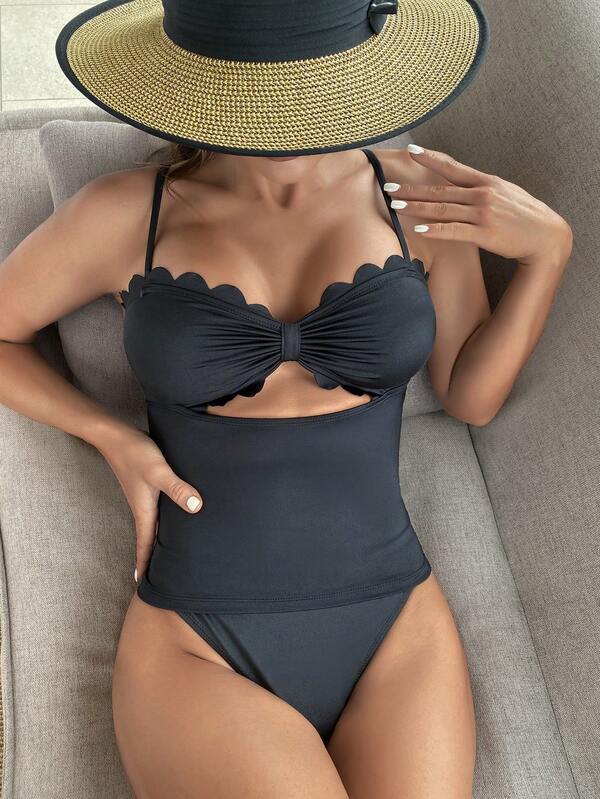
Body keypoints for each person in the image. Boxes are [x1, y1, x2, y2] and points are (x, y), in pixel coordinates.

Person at [0, 0, 572, 796]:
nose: (291, 110)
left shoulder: (418, 193)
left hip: (396, 624)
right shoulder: (125, 211)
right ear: (205, 77)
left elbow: (468, 396)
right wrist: (112, 435)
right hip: (199, 640)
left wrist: (548, 257)